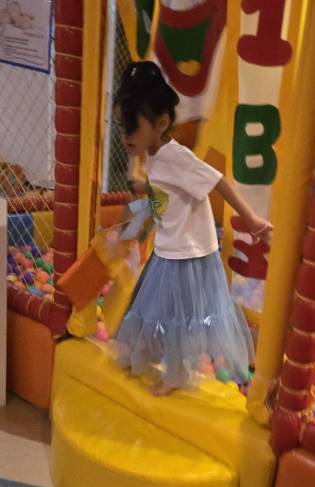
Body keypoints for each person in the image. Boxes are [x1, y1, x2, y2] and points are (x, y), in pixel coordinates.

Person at [114, 61, 272, 396]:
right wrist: (143, 189)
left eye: (132, 127)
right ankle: (160, 360)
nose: (125, 136)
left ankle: (176, 374)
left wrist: (252, 220)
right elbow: (167, 191)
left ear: (161, 123)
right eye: (121, 126)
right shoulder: (154, 154)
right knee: (162, 311)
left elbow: (218, 181)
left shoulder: (175, 156)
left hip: (189, 253)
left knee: (179, 317)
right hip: (169, 247)